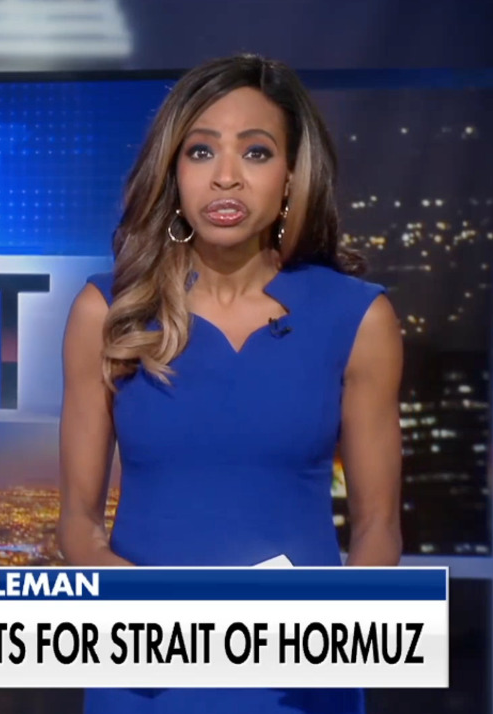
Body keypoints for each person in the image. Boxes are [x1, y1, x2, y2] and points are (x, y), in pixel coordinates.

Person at [57, 54, 403, 714]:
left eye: (256, 151)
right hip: (147, 673)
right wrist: (138, 606)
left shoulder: (360, 319)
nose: (225, 175)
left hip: (302, 678)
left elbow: (379, 528)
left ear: (292, 175)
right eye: (201, 150)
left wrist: (336, 629)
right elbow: (77, 523)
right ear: (173, 171)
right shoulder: (108, 312)